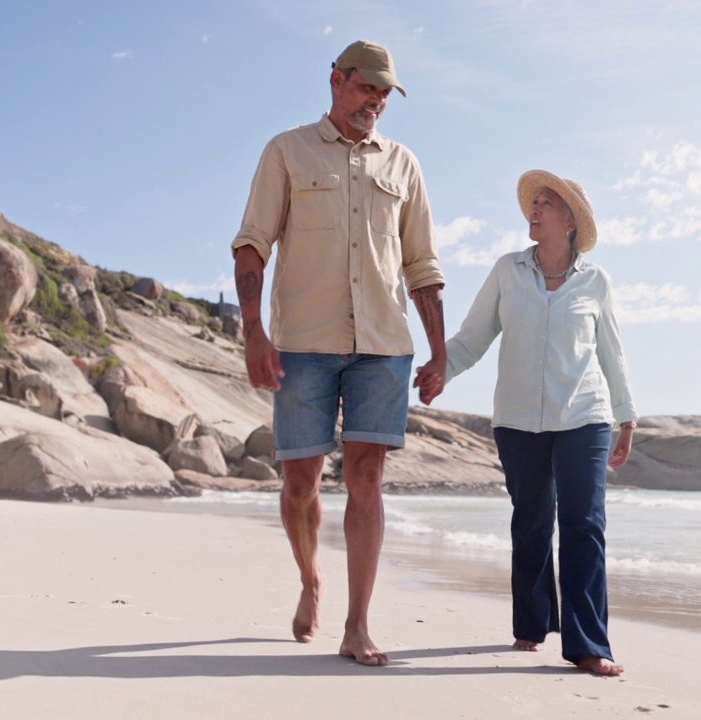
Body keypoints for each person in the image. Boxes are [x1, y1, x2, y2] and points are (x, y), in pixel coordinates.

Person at [230, 39, 446, 667]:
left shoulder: (404, 164)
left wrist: (438, 352)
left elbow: (422, 265)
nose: (376, 101)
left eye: (385, 92)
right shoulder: (287, 151)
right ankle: (310, 579)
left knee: (366, 479)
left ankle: (357, 626)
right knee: (299, 482)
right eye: (366, 87)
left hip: (382, 346)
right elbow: (251, 246)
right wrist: (252, 331)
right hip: (303, 343)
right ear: (336, 81)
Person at [415, 170, 636, 676]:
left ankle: (588, 644)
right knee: (532, 520)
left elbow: (612, 353)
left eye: (546, 203)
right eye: (532, 202)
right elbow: (474, 336)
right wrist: (440, 369)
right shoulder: (506, 271)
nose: (533, 210)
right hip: (517, 418)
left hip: (585, 415)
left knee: (584, 524)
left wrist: (625, 416)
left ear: (571, 220)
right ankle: (532, 623)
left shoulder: (596, 282)